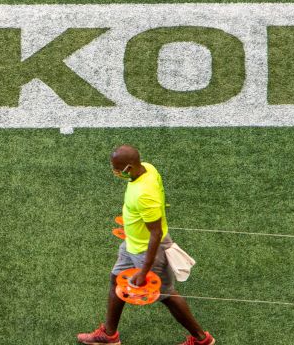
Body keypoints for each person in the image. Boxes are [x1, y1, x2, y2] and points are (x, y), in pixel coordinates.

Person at [77, 145, 215, 345]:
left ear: (131, 167)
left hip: (147, 251)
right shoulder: (147, 168)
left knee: (166, 294)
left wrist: (144, 271)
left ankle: (202, 339)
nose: (115, 172)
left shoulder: (144, 195)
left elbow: (156, 233)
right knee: (117, 281)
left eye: (118, 168)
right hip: (132, 244)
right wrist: (132, 227)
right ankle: (109, 335)